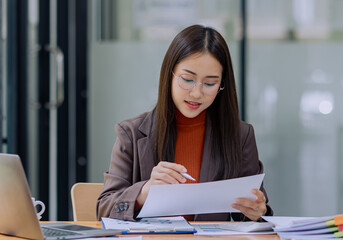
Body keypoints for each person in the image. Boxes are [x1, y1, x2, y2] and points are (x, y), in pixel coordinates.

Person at [96, 24, 273, 221]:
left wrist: (257, 212)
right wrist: (144, 192)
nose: (196, 93)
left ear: (222, 84)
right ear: (169, 75)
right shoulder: (131, 133)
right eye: (187, 79)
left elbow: (255, 214)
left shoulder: (240, 135)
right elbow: (104, 208)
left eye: (209, 83)